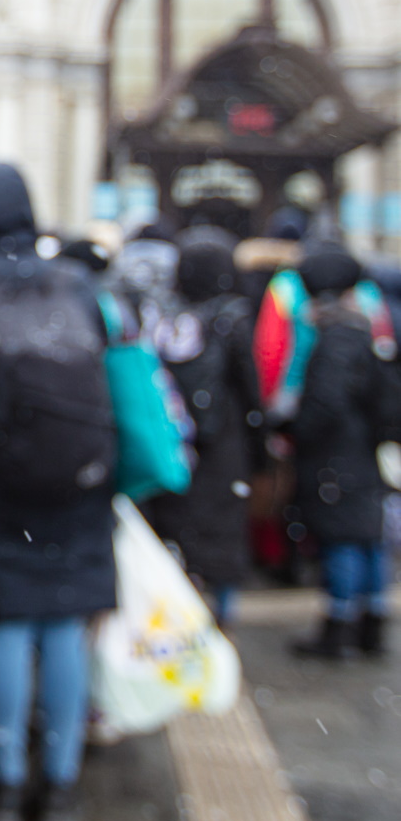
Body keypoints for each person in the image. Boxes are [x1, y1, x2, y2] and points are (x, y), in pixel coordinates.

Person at [0, 163, 117, 821]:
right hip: (80, 480)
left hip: (2, 482)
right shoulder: (78, 282)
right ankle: (61, 785)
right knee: (65, 624)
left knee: (9, 625)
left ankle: (5, 783)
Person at [142, 227, 265, 626]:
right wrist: (259, 447)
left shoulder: (164, 314)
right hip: (225, 446)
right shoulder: (233, 317)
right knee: (224, 543)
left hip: (176, 441)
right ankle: (220, 626)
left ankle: (180, 624)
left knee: (178, 539)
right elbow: (250, 389)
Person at [289, 246, 392, 659]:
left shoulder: (335, 338)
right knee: (368, 537)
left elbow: (325, 402)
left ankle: (339, 628)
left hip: (335, 457)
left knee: (342, 538)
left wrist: (299, 431)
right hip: (361, 451)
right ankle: (372, 623)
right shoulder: (364, 331)